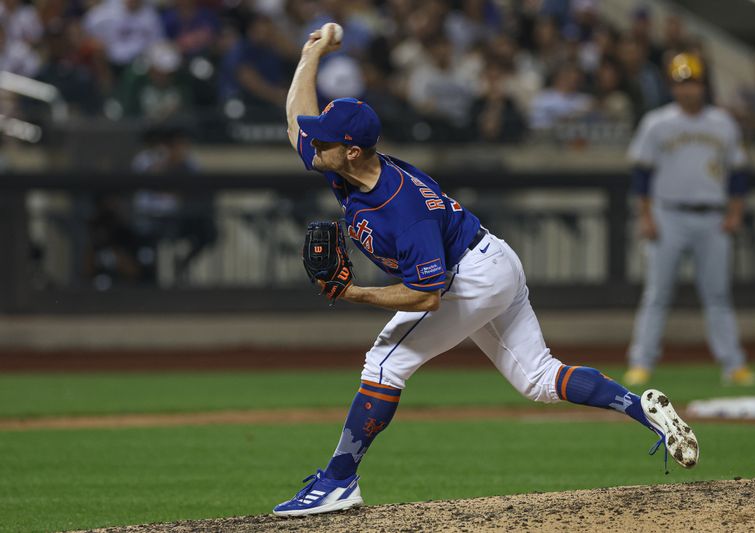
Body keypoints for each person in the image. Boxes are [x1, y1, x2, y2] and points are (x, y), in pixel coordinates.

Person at [274, 24, 700, 517]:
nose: (312, 143)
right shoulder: (345, 163)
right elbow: (295, 123)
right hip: (492, 258)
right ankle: (639, 408)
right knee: (539, 379)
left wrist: (354, 294)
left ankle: (338, 482)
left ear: (351, 150)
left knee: (385, 364)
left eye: (324, 140)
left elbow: (427, 295)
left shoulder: (401, 208)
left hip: (467, 276)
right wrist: (313, 53)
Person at [624, 53, 755, 387]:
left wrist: (735, 213)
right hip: (668, 214)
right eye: (682, 83)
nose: (688, 90)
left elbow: (738, 172)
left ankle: (733, 364)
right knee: (657, 294)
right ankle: (641, 362)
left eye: (694, 82)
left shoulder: (723, 123)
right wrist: (646, 216)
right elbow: (641, 173)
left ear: (704, 85)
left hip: (712, 216)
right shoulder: (657, 122)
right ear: (672, 86)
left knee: (718, 296)